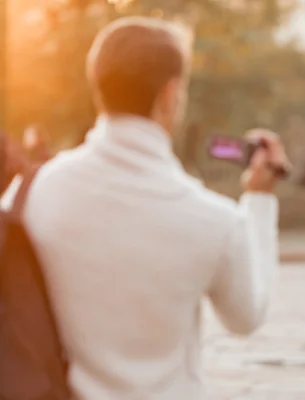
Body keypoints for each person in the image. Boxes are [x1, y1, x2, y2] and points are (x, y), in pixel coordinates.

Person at [0, 16, 289, 399]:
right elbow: (246, 316)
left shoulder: (31, 192)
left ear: (97, 85)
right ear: (169, 95)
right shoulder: (215, 219)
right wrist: (260, 198)